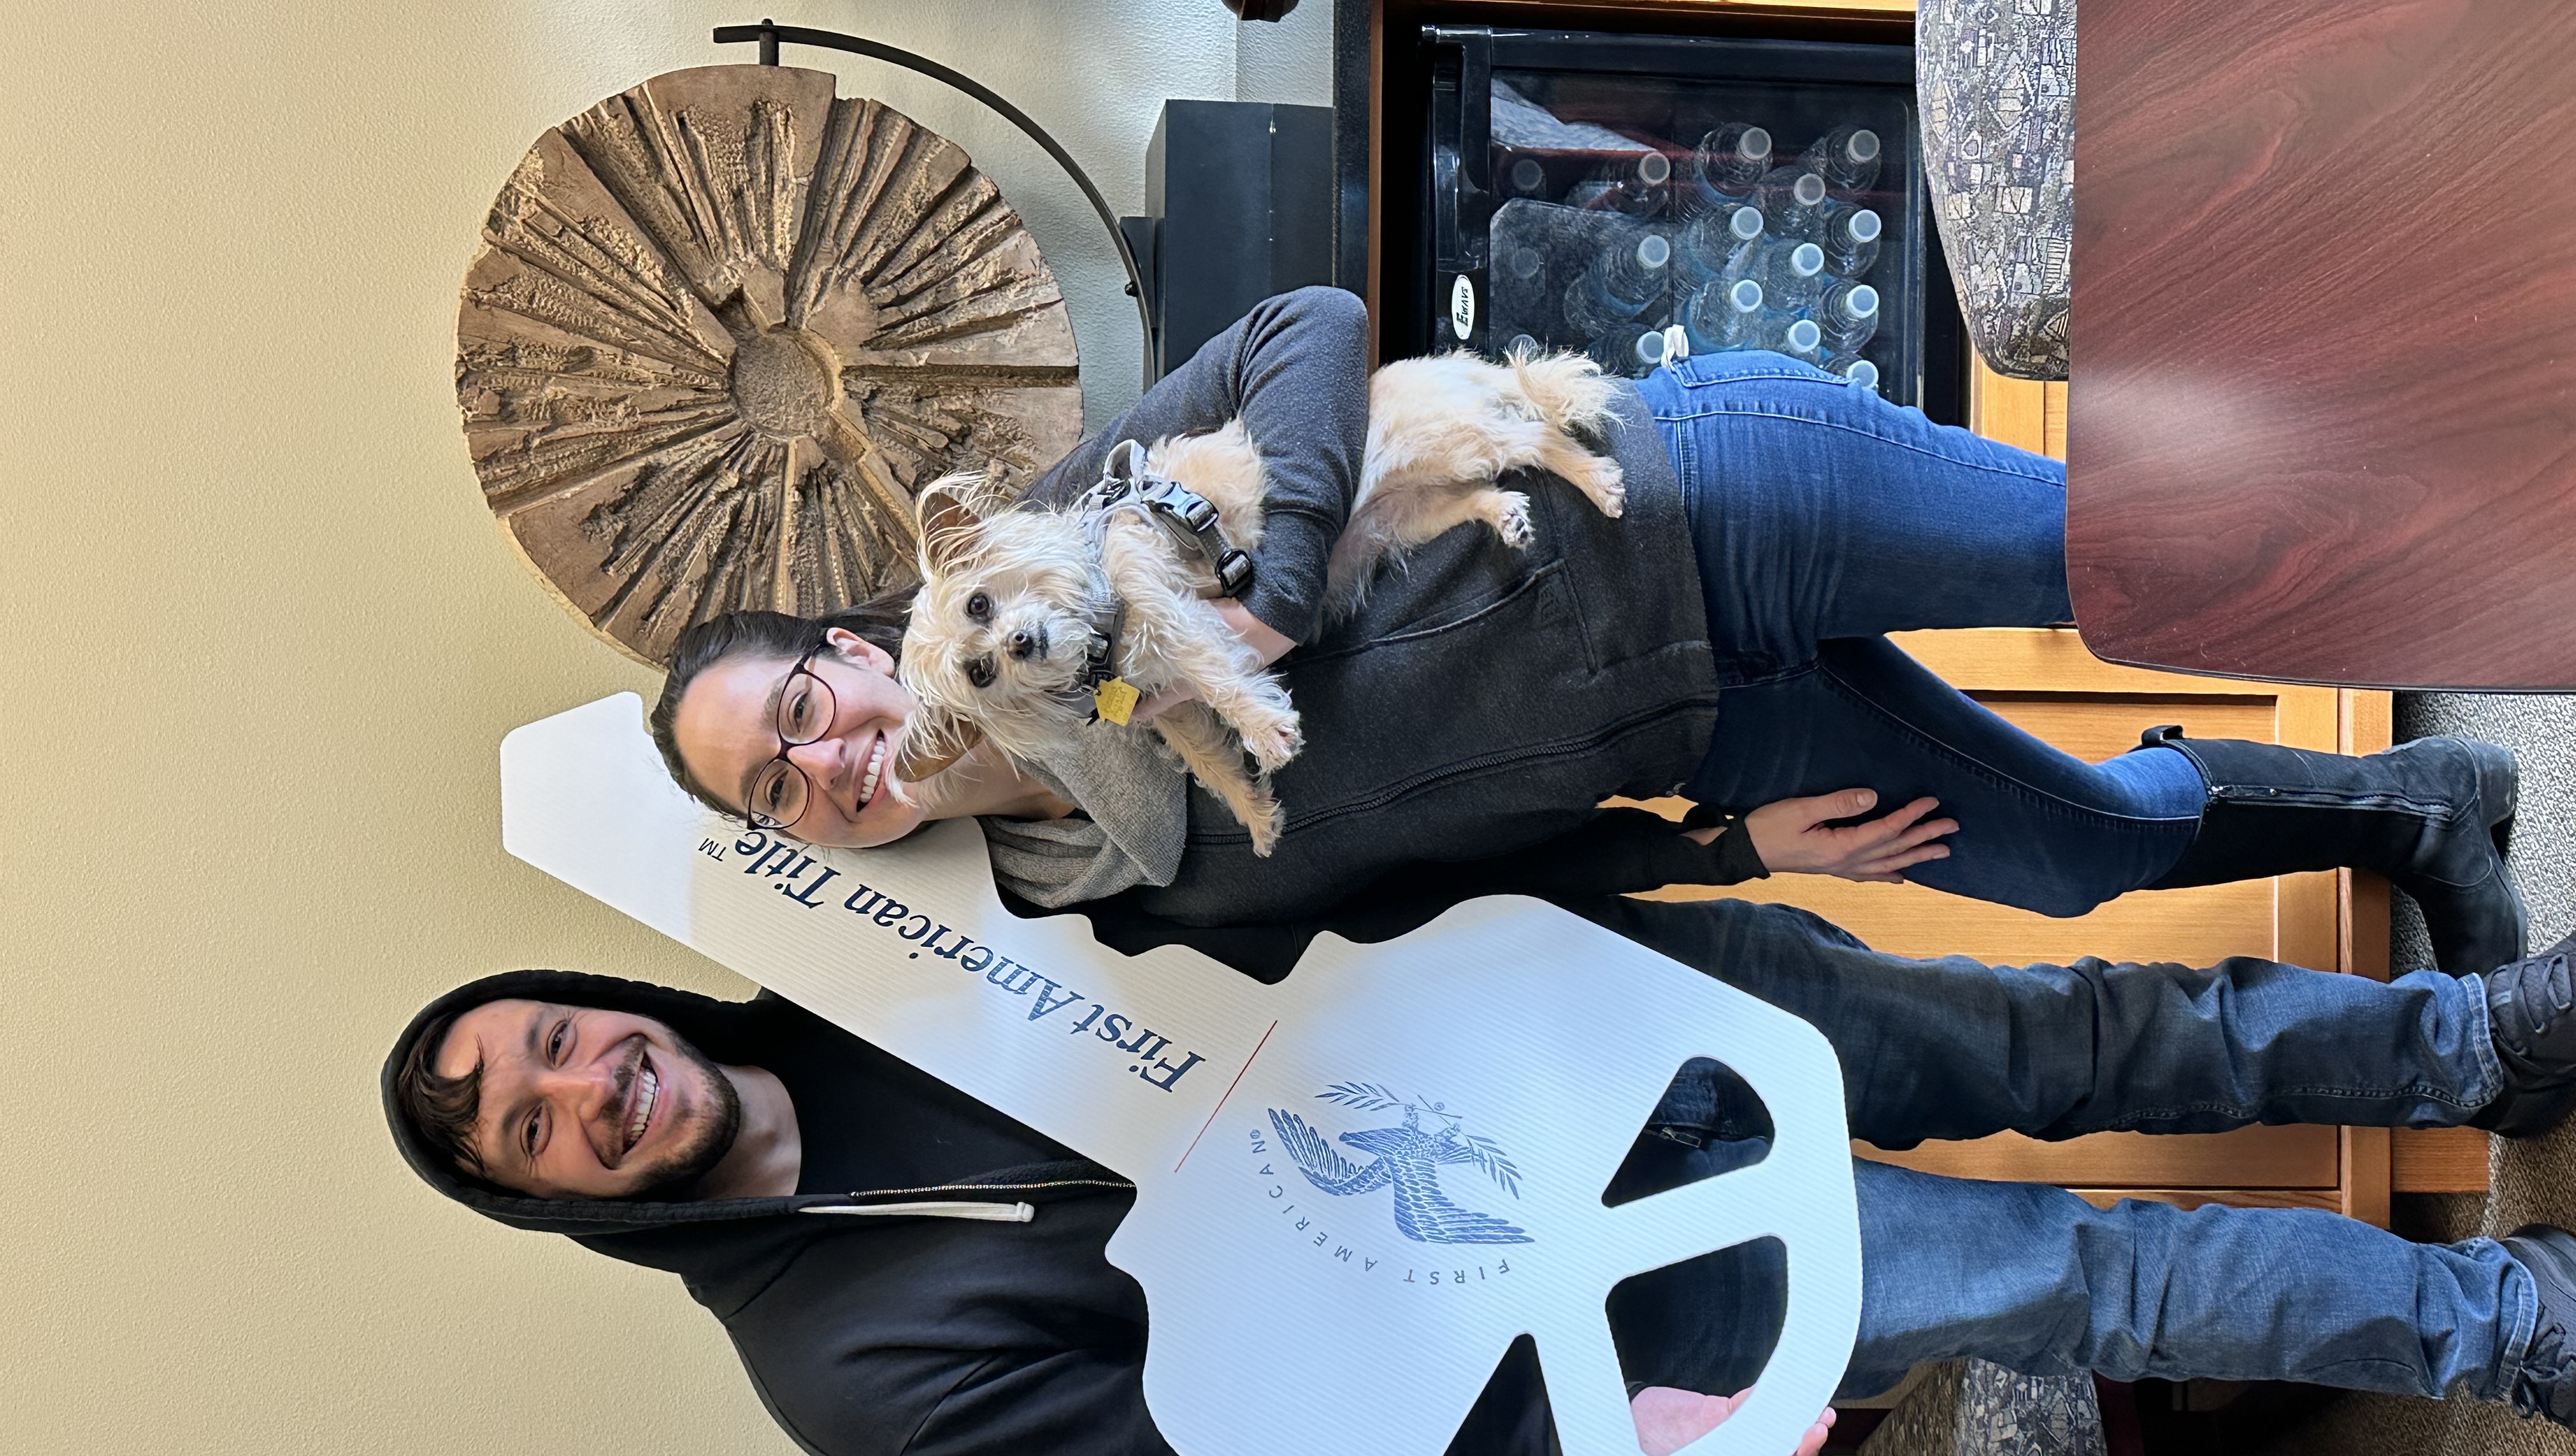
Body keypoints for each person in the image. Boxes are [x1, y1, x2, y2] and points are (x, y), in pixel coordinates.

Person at [384, 866, 2576, 1456]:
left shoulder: (863, 949)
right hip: (1600, 1311)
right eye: (533, 1130)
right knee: (2099, 1281)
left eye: (553, 1038)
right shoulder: (850, 1377)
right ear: (555, 1206)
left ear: (598, 997)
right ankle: (2514, 1333)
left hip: (1587, 1024)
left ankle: (2475, 1044)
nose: (584, 1088)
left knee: (2071, 1034)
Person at [647, 287, 2526, 973]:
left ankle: (2499, 454)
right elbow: (1464, 894)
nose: (826, 761)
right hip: (1712, 739)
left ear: (855, 646)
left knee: (2146, 560)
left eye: (797, 706)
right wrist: (1732, 851)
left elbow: (1309, 333)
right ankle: (2422, 808)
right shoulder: (1112, 906)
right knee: (2074, 861)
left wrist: (1277, 587)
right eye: (775, 790)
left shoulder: (1058, 541)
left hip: (1695, 496)